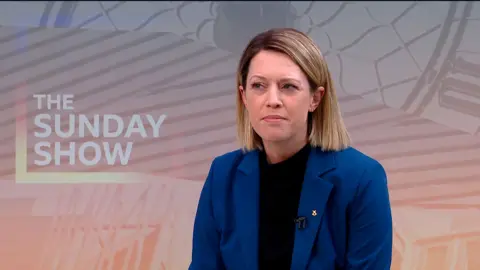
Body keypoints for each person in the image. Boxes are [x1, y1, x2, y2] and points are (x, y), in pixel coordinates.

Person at [189, 28, 392, 270]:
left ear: (315, 98)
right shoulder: (222, 174)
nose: (272, 99)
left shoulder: (361, 179)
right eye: (258, 86)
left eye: (288, 86)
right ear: (243, 96)